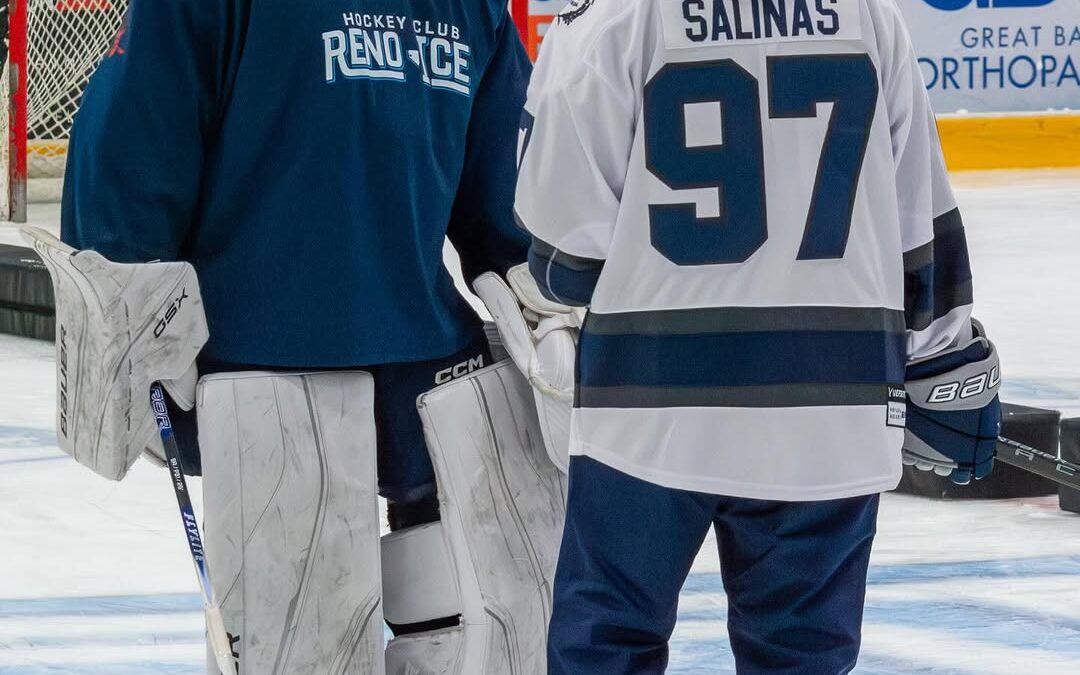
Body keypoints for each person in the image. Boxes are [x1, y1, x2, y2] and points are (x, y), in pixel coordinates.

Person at [44, 1, 566, 673]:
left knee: (475, 637)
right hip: (277, 377)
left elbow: (513, 182)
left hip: (376, 372)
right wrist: (124, 291)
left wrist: (543, 285)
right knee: (335, 643)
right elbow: (138, 132)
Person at [514, 0, 1001, 673]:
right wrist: (948, 353)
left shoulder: (615, 17)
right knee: (800, 656)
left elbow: (565, 256)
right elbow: (920, 217)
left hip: (653, 417)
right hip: (832, 412)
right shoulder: (869, 14)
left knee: (609, 638)